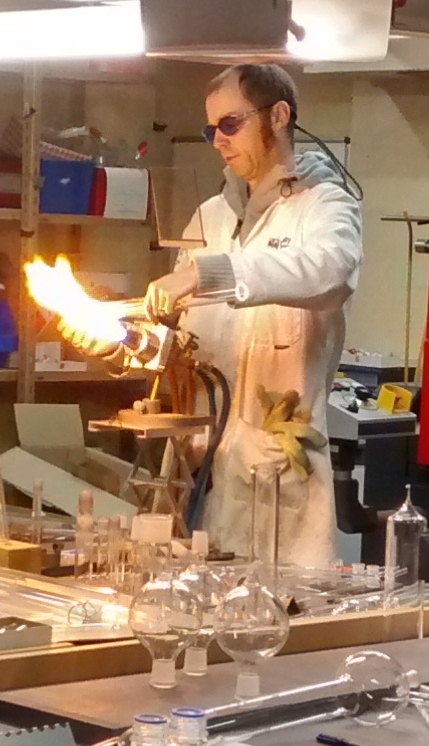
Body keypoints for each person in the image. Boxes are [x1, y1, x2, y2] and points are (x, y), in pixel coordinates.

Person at [142, 63, 364, 566]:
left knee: (277, 620)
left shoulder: (325, 206)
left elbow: (329, 273)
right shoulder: (210, 216)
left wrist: (209, 275)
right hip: (200, 466)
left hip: (275, 472)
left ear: (279, 115)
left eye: (230, 124)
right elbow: (188, 331)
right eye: (210, 129)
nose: (218, 141)